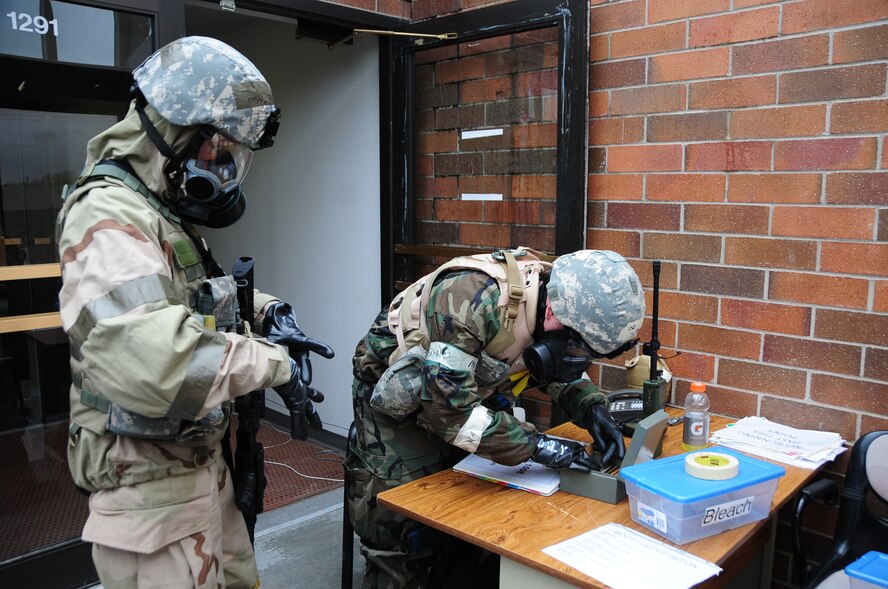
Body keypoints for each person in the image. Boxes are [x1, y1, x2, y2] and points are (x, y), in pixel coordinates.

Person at [56, 36, 332, 588]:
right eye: (221, 153)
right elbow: (157, 359)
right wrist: (272, 364)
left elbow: (204, 303)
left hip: (198, 482)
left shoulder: (157, 213)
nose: (226, 170)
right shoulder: (109, 213)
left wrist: (269, 313)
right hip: (152, 506)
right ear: (181, 137)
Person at [346, 248, 645, 588]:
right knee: (401, 531)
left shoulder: (561, 308)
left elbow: (560, 366)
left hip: (462, 392)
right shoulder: (470, 298)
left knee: (470, 516)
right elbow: (450, 414)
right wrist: (537, 445)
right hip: (398, 400)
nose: (578, 359)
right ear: (551, 310)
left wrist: (593, 408)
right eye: (577, 348)